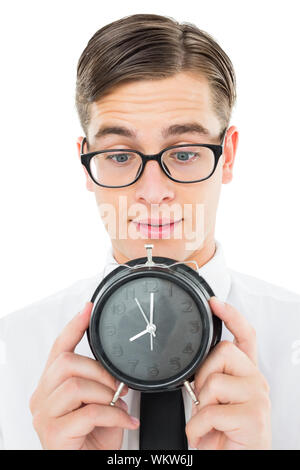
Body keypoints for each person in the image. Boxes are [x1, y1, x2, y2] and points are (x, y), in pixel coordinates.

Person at [1, 13, 299, 451]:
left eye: (183, 153)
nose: (153, 192)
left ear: (228, 156)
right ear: (87, 163)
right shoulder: (9, 355)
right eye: (120, 156)